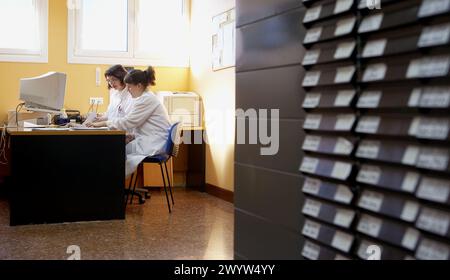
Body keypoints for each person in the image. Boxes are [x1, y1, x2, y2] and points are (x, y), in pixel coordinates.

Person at [88, 66, 171, 178]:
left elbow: (129, 122)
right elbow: (138, 124)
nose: (128, 90)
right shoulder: (145, 97)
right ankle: (110, 186)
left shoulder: (146, 99)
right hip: (151, 139)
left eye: (129, 87)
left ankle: (110, 187)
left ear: (139, 85)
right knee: (113, 150)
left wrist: (102, 123)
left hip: (154, 143)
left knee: (113, 151)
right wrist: (132, 135)